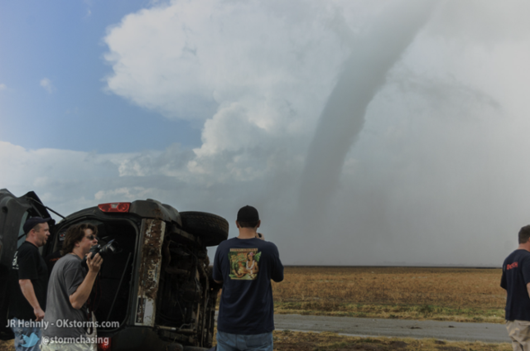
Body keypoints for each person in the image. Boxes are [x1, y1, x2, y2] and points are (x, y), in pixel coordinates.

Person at [213, 205, 284, 351]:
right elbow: (279, 277)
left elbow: (217, 279)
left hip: (228, 328)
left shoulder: (223, 248)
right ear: (258, 223)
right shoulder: (268, 248)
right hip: (258, 329)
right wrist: (262, 244)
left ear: (237, 224)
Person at [41, 223, 103, 351]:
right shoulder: (73, 263)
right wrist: (93, 272)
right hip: (67, 340)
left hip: (55, 336)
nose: (95, 240)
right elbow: (76, 302)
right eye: (90, 237)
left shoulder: (64, 260)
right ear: (76, 242)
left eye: (96, 237)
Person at [9, 217, 51, 351]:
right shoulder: (29, 251)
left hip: (24, 317)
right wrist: (37, 308)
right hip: (28, 318)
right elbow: (24, 281)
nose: (48, 233)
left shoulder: (22, 250)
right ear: (33, 232)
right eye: (45, 230)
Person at [501, 225, 530, 351]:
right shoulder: (527, 258)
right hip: (526, 317)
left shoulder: (508, 260)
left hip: (512, 317)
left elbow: (508, 291)